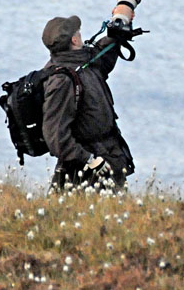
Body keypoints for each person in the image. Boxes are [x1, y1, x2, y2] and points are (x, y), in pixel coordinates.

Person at [41, 15, 135, 190]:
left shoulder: (82, 63)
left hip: (108, 155)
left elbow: (100, 57)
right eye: (78, 32)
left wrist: (117, 32)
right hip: (85, 169)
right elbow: (55, 136)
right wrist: (90, 160)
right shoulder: (62, 80)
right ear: (75, 40)